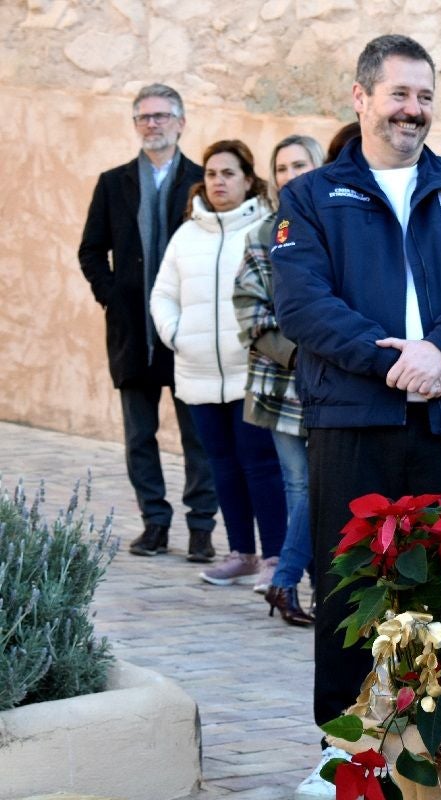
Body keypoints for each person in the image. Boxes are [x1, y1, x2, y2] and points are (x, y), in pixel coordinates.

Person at [269, 35, 441, 799]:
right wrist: (393, 363)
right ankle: (343, 751)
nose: (413, 110)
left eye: (423, 96)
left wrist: (437, 351)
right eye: (399, 94)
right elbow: (302, 305)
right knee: (349, 589)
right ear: (361, 96)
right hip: (354, 417)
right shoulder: (310, 197)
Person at [78, 83, 217, 562]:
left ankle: (201, 527)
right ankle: (154, 523)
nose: (152, 124)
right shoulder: (112, 182)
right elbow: (91, 250)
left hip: (187, 331)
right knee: (139, 435)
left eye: (161, 116)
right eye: (144, 117)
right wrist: (112, 297)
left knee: (197, 434)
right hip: (132, 330)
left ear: (181, 122)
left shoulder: (203, 181)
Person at [149, 140, 287, 589]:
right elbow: (162, 294)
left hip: (249, 372)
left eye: (228, 173)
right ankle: (241, 553)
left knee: (261, 465)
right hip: (197, 372)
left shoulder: (266, 227)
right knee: (222, 466)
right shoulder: (187, 234)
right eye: (211, 174)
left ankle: (274, 558)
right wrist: (177, 336)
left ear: (248, 179)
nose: (218, 182)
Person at [233, 134, 326, 625]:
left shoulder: (340, 228)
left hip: (336, 384)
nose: (292, 175)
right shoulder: (262, 234)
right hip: (282, 388)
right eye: (283, 167)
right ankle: (291, 581)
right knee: (303, 488)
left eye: (301, 164)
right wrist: (300, 355)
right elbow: (250, 312)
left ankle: (294, 584)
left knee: (317, 488)